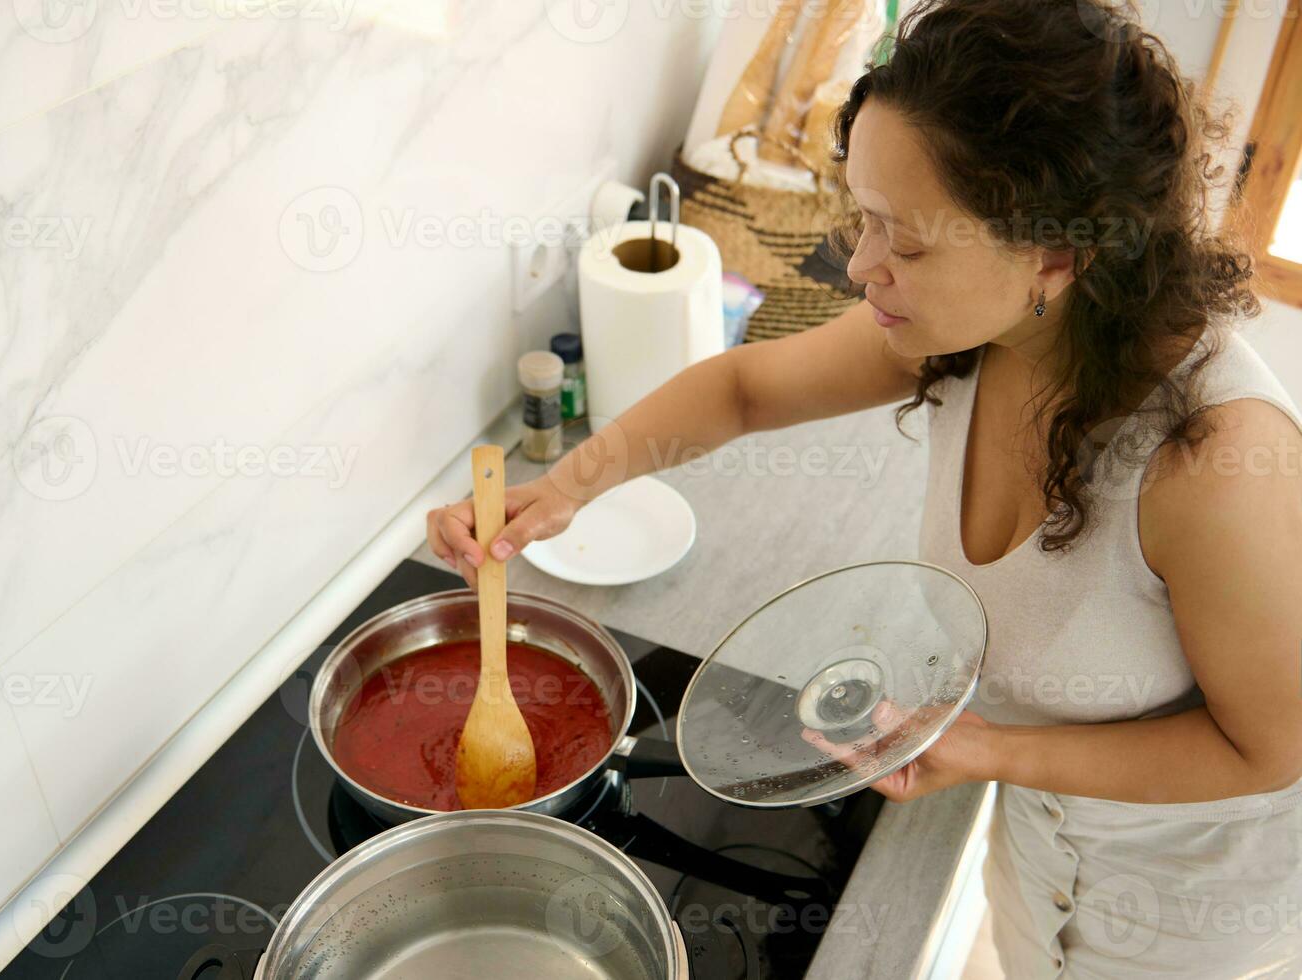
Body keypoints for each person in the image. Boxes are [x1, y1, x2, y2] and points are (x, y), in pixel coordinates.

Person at [425, 0, 1302, 975]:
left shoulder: (1212, 463)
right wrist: (564, 489)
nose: (860, 263)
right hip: (1041, 848)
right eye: (863, 214)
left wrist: (988, 750)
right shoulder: (978, 328)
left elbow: (1268, 746)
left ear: (1055, 252)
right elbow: (747, 387)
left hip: (1195, 908)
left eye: (907, 241)